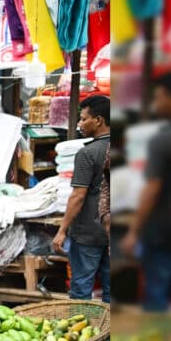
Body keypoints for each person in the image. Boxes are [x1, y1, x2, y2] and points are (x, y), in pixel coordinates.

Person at [122, 72, 171, 313]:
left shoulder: (165, 139)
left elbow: (152, 189)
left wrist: (134, 231)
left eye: (160, 97)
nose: (155, 103)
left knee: (157, 297)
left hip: (164, 231)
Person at [52, 96, 111, 302]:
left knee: (81, 292)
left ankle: (87, 334)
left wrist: (62, 230)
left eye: (84, 119)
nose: (80, 124)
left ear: (99, 120)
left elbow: (78, 196)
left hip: (89, 234)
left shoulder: (88, 153)